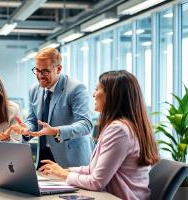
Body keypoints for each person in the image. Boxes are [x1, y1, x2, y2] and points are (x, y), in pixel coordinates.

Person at [38, 70, 159, 200]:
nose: (94, 94)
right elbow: (94, 169)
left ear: (113, 95)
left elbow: (96, 182)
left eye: (98, 89)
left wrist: (62, 174)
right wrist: (65, 170)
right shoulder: (125, 126)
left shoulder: (119, 130)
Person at [12, 47, 93, 168]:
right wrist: (26, 128)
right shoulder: (34, 90)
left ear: (58, 69)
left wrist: (56, 131)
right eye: (37, 70)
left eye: (45, 71)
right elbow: (33, 120)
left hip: (71, 157)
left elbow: (86, 124)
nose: (40, 76)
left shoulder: (75, 89)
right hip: (44, 154)